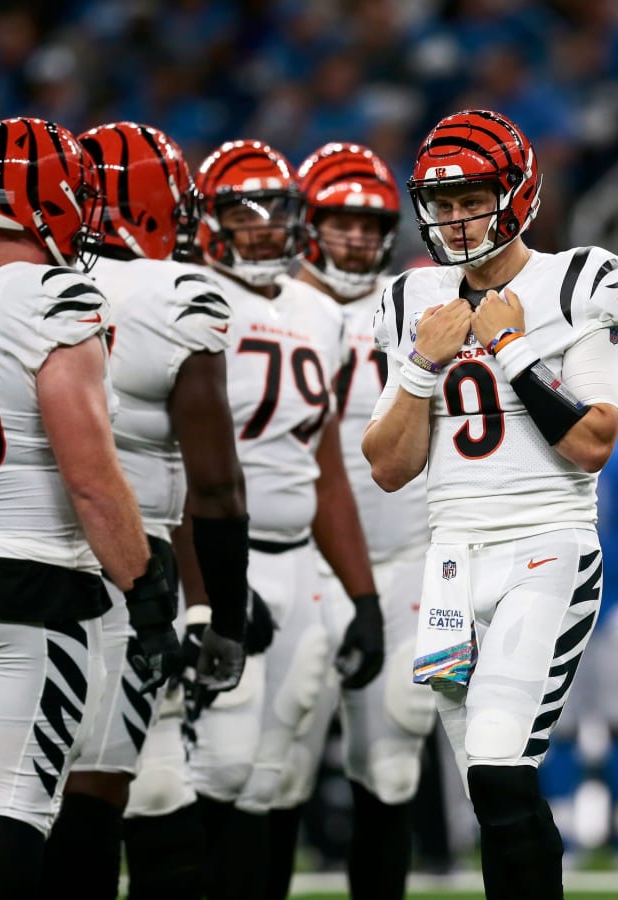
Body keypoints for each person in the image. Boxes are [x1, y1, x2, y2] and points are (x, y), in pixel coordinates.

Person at [362, 108, 618, 900]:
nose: (455, 220)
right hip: (449, 560)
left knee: (496, 764)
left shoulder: (578, 279)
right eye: (441, 205)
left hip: (545, 546)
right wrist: (420, 366)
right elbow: (387, 466)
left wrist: (513, 351)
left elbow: (592, 444)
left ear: (518, 194)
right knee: (492, 793)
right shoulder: (413, 299)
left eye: (472, 199)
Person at [0, 116, 179, 900]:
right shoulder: (61, 296)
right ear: (57, 198)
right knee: (20, 803)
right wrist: (144, 585)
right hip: (33, 581)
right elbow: (92, 476)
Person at [41, 120, 250, 900]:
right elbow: (217, 486)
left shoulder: (22, 287)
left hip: (0, 558)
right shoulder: (176, 296)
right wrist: (221, 613)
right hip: (122, 573)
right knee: (97, 787)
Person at [185, 138, 385, 900]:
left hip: (299, 561)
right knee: (211, 767)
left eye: (280, 212)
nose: (266, 228)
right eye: (245, 212)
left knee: (272, 773)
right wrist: (210, 589)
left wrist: (362, 595)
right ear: (212, 220)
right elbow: (174, 467)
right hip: (218, 557)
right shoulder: (192, 296)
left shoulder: (320, 313)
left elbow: (325, 469)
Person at [290, 141, 436, 900]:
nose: (353, 237)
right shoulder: (274, 309)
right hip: (300, 559)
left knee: (393, 757)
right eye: (337, 220)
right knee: (270, 764)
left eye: (368, 222)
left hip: (406, 552)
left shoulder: (419, 303)